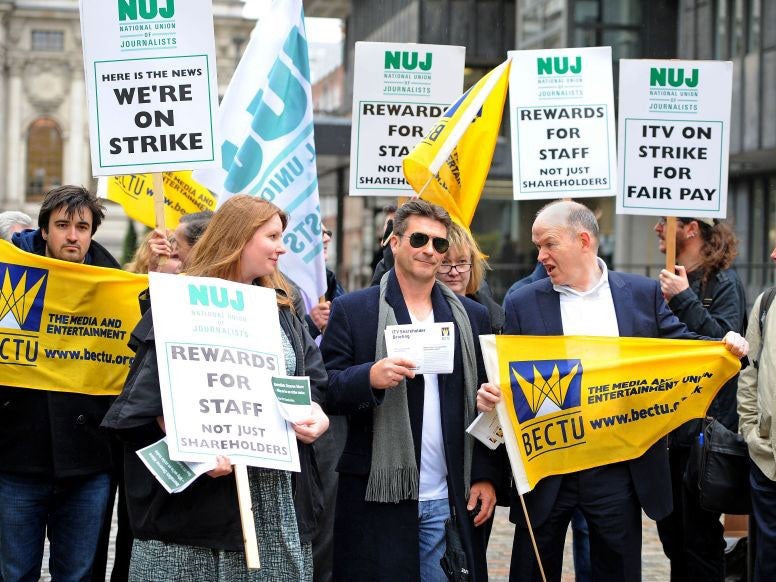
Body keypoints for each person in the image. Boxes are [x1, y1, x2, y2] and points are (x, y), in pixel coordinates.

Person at [476, 200, 748, 582]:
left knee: (617, 569)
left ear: (583, 240)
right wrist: (490, 397)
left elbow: (682, 348)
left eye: (549, 244)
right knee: (532, 570)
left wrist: (726, 348)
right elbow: (506, 375)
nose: (541, 256)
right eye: (538, 245)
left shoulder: (640, 294)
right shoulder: (523, 301)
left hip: (617, 467)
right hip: (548, 464)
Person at [101, 195, 329, 581]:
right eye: (272, 236)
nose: (282, 246)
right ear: (239, 238)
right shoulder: (178, 303)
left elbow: (314, 385)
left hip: (273, 507)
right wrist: (195, 450)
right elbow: (139, 407)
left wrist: (317, 417)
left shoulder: (282, 309)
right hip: (193, 516)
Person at [321, 200, 500, 582]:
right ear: (395, 242)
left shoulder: (472, 316)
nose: (430, 250)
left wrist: (485, 475)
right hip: (379, 492)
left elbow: (490, 404)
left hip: (449, 493)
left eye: (439, 243)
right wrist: (369, 376)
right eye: (419, 239)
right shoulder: (355, 310)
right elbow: (326, 389)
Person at [0, 186, 119, 581]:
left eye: (82, 227)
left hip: (87, 463)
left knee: (79, 574)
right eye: (63, 225)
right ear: (45, 230)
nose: (73, 236)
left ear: (92, 233)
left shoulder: (115, 286)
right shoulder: (9, 277)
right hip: (16, 459)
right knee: (15, 573)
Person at [654, 216, 747, 581]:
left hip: (704, 438)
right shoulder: (668, 281)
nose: (658, 228)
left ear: (690, 228)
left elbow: (726, 346)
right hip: (669, 430)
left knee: (700, 540)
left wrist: (683, 299)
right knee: (673, 537)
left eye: (665, 221)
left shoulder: (724, 283)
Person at [737, 243, 776, 581]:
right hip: (768, 461)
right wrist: (751, 431)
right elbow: (749, 372)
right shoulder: (766, 302)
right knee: (767, 560)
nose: (773, 254)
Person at [436, 221, 504, 334]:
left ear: (472, 265)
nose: (454, 272)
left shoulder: (493, 317)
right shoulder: (422, 313)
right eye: (445, 262)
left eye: (462, 262)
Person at [306, 223, 345, 339]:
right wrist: (311, 324)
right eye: (320, 233)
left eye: (328, 233)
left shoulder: (328, 279)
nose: (327, 238)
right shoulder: (282, 284)